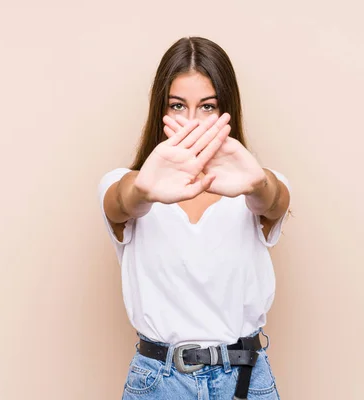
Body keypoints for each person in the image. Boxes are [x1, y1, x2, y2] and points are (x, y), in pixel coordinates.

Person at [98, 36, 291, 400]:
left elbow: (275, 200)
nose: (191, 122)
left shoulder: (250, 186)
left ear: (225, 111)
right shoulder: (131, 183)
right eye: (177, 105)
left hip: (245, 380)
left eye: (207, 107)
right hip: (159, 382)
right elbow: (121, 201)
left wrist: (258, 182)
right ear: (161, 110)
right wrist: (144, 189)